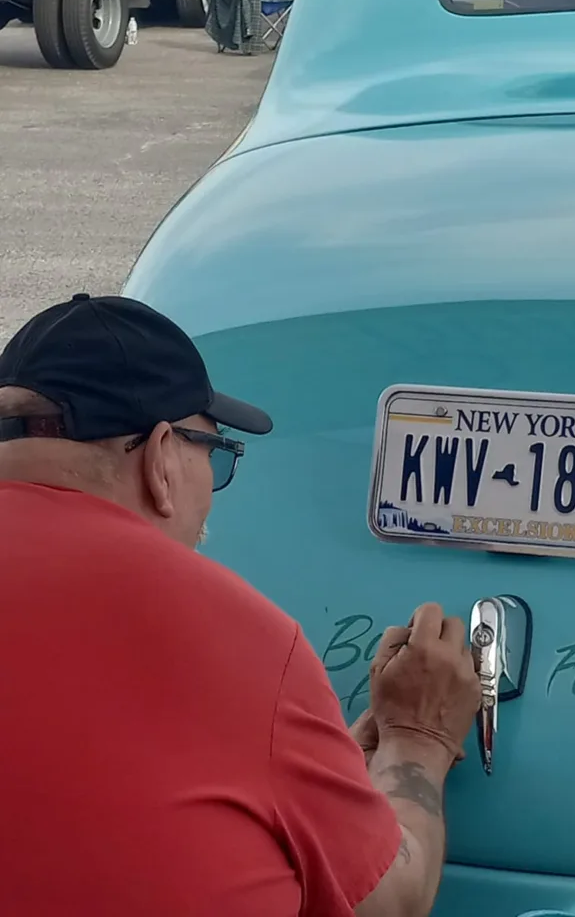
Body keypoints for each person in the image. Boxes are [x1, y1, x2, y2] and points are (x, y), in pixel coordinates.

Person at [0, 292, 482, 916]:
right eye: (217, 455)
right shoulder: (232, 635)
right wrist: (418, 739)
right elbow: (388, 901)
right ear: (161, 456)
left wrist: (320, 775)